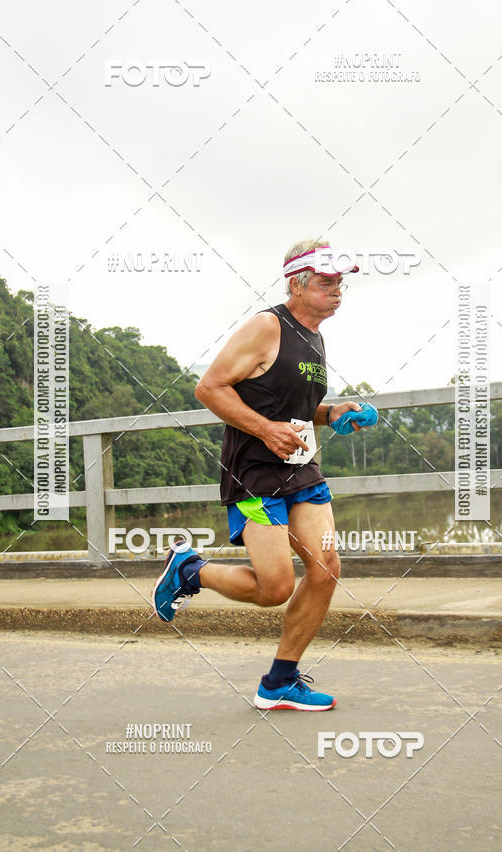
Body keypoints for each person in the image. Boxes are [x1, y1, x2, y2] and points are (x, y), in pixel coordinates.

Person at [152, 239, 378, 710]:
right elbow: (209, 387)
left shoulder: (314, 335)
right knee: (274, 588)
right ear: (296, 284)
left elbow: (291, 407)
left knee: (325, 569)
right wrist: (264, 430)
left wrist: (332, 411)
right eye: (326, 281)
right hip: (254, 474)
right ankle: (190, 570)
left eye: (342, 281)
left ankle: (279, 682)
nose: (338, 289)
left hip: (302, 470)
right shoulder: (266, 326)